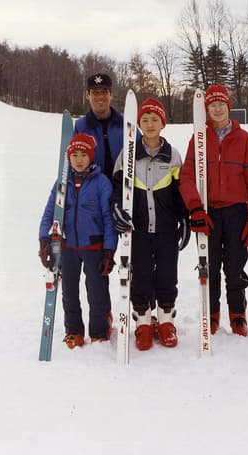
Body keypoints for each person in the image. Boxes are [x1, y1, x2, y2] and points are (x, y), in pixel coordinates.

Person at [179, 84, 248, 336]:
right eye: (212, 105)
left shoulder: (244, 139)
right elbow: (186, 177)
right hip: (208, 213)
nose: (217, 109)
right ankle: (212, 314)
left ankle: (237, 315)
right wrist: (195, 210)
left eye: (221, 104)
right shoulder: (199, 138)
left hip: (236, 212)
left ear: (229, 107)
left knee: (235, 267)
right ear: (206, 109)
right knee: (210, 266)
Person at [111, 98, 190, 351]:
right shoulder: (129, 154)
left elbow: (182, 192)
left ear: (163, 123)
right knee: (141, 275)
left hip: (167, 229)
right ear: (138, 124)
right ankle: (143, 323)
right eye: (145, 120)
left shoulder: (173, 155)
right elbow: (116, 188)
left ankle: (166, 321)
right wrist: (117, 209)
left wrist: (185, 218)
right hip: (138, 230)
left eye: (155, 119)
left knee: (167, 274)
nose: (150, 124)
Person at [38, 133, 117, 349]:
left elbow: (109, 219)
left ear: (91, 157)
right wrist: (44, 238)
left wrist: (109, 250)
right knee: (69, 292)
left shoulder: (101, 183)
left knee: (97, 291)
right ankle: (74, 330)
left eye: (84, 154)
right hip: (68, 246)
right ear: (69, 157)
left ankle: (99, 331)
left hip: (94, 247)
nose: (79, 159)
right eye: (75, 155)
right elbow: (49, 211)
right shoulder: (62, 182)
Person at [73, 73, 124, 180]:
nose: (100, 96)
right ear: (87, 95)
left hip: (123, 191)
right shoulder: (81, 126)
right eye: (95, 93)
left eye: (104, 92)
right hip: (93, 191)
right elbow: (72, 162)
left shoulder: (126, 123)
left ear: (111, 95)